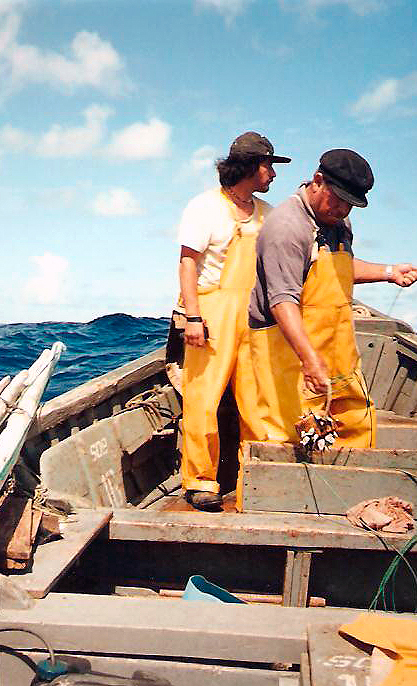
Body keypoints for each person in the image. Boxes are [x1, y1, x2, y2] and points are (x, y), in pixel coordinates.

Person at [247, 149, 417, 454]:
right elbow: (282, 300)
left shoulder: (337, 222)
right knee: (288, 442)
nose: (343, 210)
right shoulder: (287, 227)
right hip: (287, 356)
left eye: (351, 205)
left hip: (337, 354)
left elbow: (337, 268)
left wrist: (389, 272)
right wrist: (309, 359)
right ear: (317, 181)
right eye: (338, 200)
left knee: (357, 432)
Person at [176, 132, 291, 511]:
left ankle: (257, 481)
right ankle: (200, 480)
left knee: (257, 399)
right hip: (211, 311)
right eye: (268, 166)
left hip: (255, 315)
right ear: (247, 168)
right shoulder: (204, 208)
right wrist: (193, 317)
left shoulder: (269, 214)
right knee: (203, 398)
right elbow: (188, 263)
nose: (273, 174)